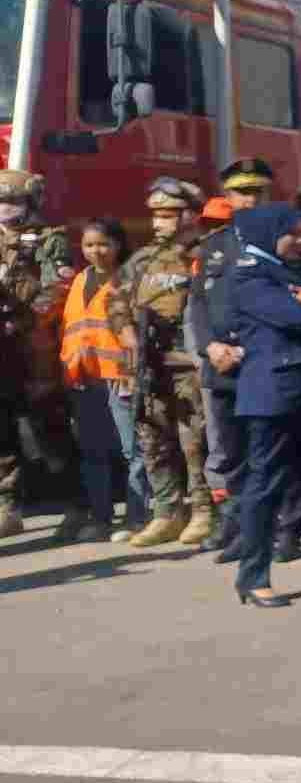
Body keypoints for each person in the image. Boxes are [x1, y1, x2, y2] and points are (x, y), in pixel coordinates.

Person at [227, 203, 301, 607]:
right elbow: (295, 316)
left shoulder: (296, 270)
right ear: (268, 235)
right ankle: (253, 575)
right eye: (292, 233)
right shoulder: (248, 275)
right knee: (265, 487)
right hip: (271, 396)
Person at [185, 158, 275, 565]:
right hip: (219, 366)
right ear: (229, 197)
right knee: (228, 452)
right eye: (242, 192)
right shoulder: (213, 245)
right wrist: (210, 348)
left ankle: (266, 529)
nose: (249, 199)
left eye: (256, 191)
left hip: (261, 364)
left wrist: (247, 349)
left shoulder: (282, 239)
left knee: (265, 450)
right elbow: (199, 306)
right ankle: (234, 522)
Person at [118, 178, 209, 549]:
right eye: (155, 215)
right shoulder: (143, 259)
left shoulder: (204, 253)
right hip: (149, 363)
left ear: (190, 214)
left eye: (168, 215)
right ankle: (167, 512)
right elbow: (117, 299)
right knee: (151, 437)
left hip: (187, 364)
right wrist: (126, 331)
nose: (158, 223)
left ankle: (204, 510)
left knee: (194, 439)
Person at [56, 219, 140, 544]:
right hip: (85, 379)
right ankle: (101, 517)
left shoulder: (128, 278)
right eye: (89, 245)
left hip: (119, 377)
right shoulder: (80, 280)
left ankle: (137, 516)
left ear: (118, 245)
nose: (96, 251)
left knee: (132, 449)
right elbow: (71, 329)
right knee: (94, 452)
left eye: (103, 244)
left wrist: (131, 374)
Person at [0, 168, 74, 537]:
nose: (5, 209)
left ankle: (79, 506)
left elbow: (57, 289)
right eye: (1, 201)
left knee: (46, 426)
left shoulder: (50, 240)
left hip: (35, 346)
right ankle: (6, 506)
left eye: (13, 201)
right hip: (2, 347)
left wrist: (23, 322)